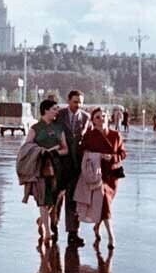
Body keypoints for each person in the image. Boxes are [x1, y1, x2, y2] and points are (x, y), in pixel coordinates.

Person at [77, 107, 126, 248]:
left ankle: (97, 227)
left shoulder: (115, 135)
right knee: (103, 200)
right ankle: (111, 236)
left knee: (105, 203)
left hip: (111, 175)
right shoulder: (89, 135)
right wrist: (92, 156)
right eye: (97, 117)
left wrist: (113, 157)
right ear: (93, 120)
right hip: (96, 174)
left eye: (103, 115)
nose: (101, 119)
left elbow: (123, 153)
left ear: (108, 117)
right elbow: (82, 151)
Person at [22, 98, 68, 246]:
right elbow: (26, 147)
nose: (56, 112)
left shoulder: (58, 128)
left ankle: (42, 220)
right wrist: (42, 151)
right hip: (40, 168)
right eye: (54, 109)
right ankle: (47, 231)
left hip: (57, 167)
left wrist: (55, 152)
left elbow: (65, 148)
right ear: (46, 110)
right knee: (43, 198)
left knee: (56, 197)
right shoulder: (35, 128)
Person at [56, 90, 90, 248]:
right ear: (68, 101)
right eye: (76, 101)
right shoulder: (60, 115)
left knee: (73, 200)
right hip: (60, 163)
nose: (78, 105)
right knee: (56, 198)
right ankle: (53, 226)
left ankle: (72, 233)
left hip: (76, 165)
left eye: (80, 102)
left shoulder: (85, 117)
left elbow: (87, 140)